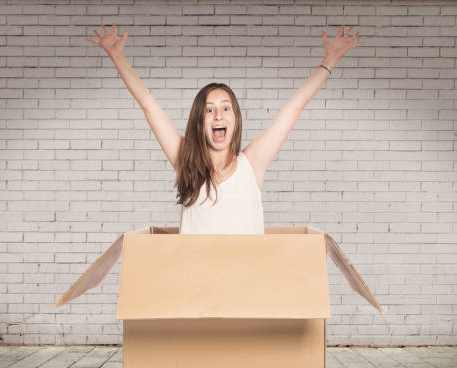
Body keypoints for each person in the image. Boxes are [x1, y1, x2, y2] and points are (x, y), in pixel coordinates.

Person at [88, 24, 364, 234]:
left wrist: (329, 61)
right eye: (209, 110)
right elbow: (150, 106)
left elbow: (293, 108)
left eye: (226, 108)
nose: (218, 114)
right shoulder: (185, 159)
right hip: (195, 288)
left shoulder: (252, 163)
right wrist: (117, 57)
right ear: (200, 121)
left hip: (243, 288)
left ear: (235, 119)